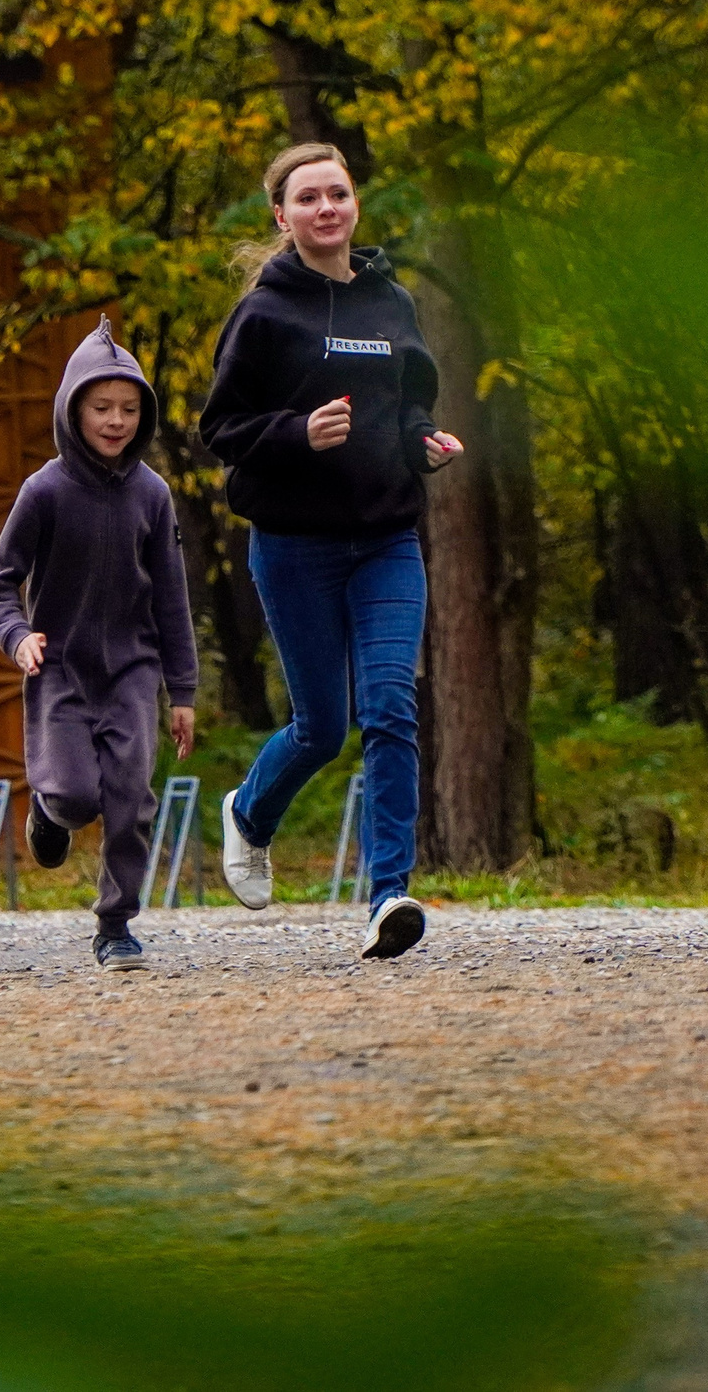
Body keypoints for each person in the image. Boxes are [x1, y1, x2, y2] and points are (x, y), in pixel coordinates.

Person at [199, 142, 463, 960]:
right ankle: (249, 813)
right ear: (282, 217)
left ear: (354, 207)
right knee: (322, 727)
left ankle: (389, 895)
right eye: (307, 198)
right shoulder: (264, 314)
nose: (325, 208)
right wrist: (296, 433)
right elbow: (219, 430)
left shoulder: (392, 303)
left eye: (338, 194)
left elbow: (409, 405)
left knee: (390, 707)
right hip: (294, 544)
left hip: (386, 536)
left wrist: (424, 443)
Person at [0, 319, 200, 971]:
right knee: (76, 795)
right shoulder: (43, 491)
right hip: (62, 669)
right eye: (102, 407)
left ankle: (115, 926)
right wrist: (18, 637)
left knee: (130, 798)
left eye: (130, 409)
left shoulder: (152, 496)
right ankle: (51, 812)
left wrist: (181, 690)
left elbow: (171, 597)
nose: (116, 421)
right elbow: (0, 583)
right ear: (73, 409)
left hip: (133, 671)